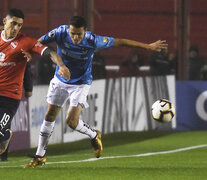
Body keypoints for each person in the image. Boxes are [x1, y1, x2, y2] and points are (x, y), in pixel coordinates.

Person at [24, 16, 167, 168]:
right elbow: (37, 43)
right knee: (49, 115)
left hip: (80, 83)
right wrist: (29, 53)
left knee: (71, 121)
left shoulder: (93, 40)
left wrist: (148, 46)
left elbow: (120, 41)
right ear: (69, 30)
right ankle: (40, 156)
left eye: (79, 34)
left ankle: (93, 135)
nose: (75, 37)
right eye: (73, 33)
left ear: (85, 31)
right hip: (60, 80)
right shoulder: (60, 32)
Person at [0, 8, 70, 156]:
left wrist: (62, 65)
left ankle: (4, 134)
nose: (16, 28)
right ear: (5, 22)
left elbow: (50, 53)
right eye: (13, 23)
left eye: (19, 25)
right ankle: (4, 135)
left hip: (10, 97)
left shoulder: (26, 42)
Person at [0, 62, 33, 161]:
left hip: (9, 94)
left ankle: (2, 156)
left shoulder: (16, 50)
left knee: (3, 123)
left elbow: (26, 67)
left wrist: (28, 88)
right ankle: (4, 137)